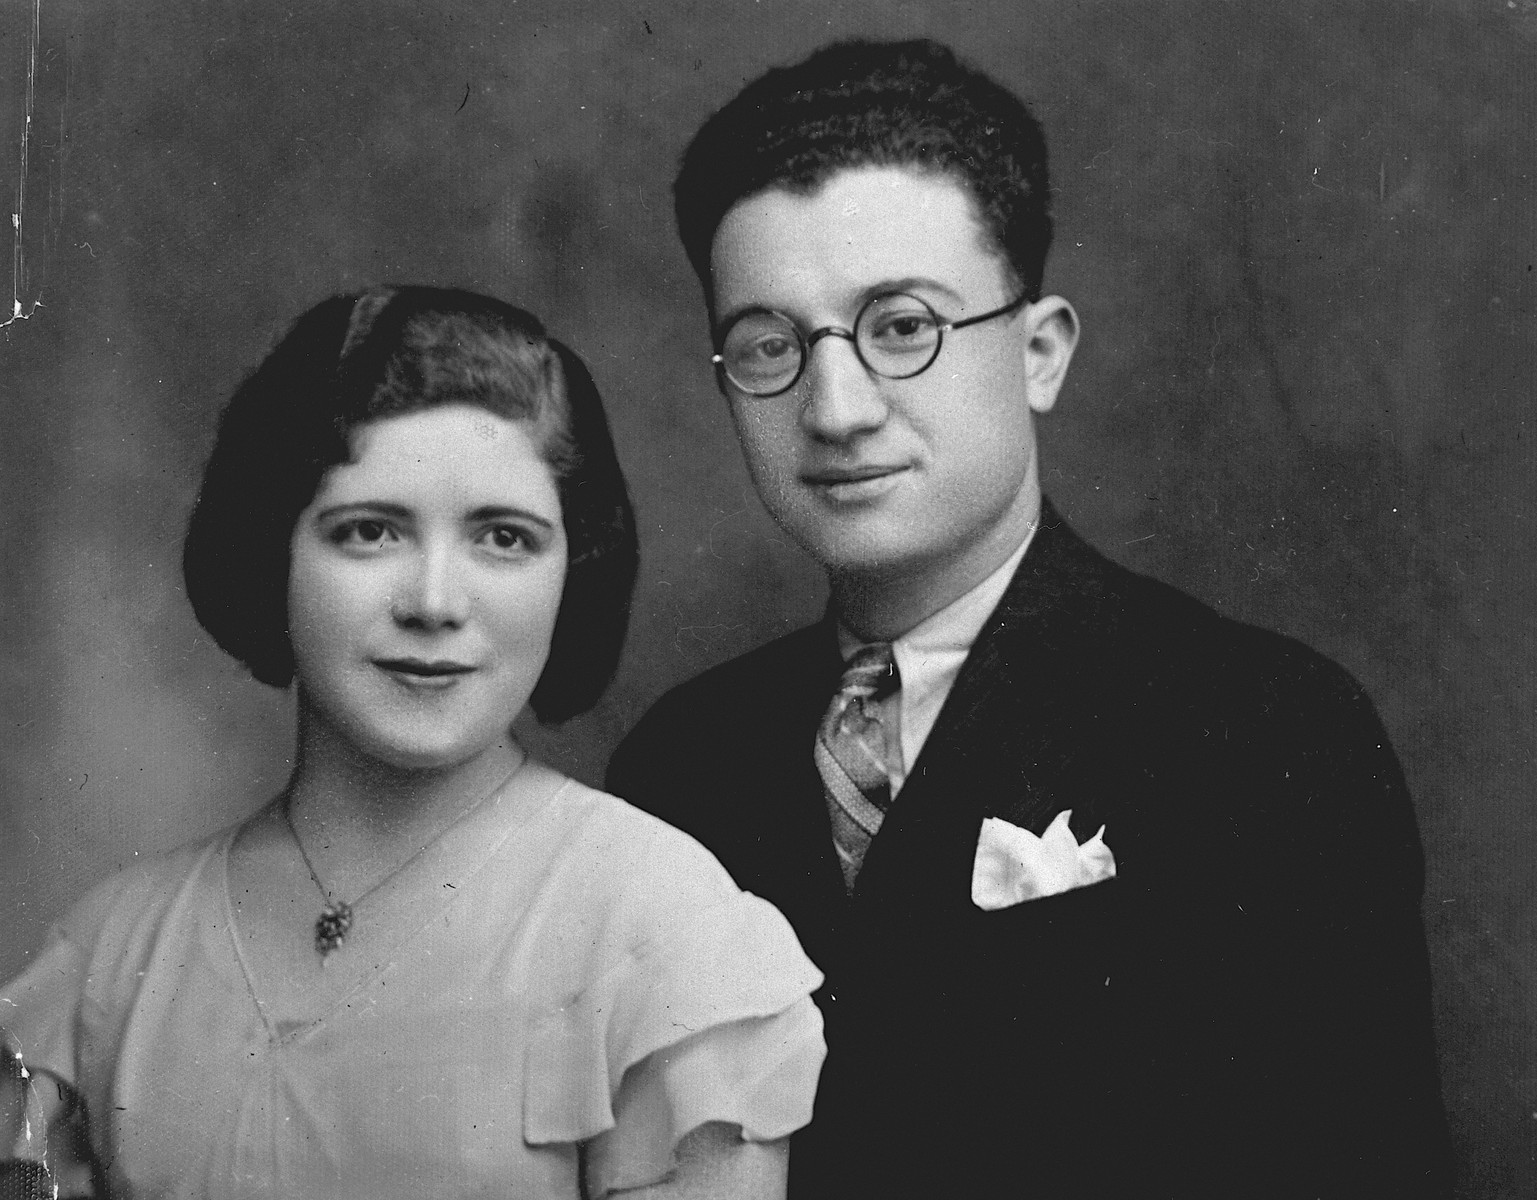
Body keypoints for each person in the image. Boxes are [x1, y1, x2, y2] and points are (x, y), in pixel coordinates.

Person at [607, 38, 1453, 1199]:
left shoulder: (1263, 728)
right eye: (770, 346)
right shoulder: (680, 766)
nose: (836, 407)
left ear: (1040, 352)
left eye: (902, 326)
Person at [0, 286, 825, 1199]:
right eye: (369, 531)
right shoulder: (110, 953)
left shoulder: (668, 938)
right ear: (270, 546)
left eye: (503, 539)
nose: (434, 601)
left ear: (572, 571)